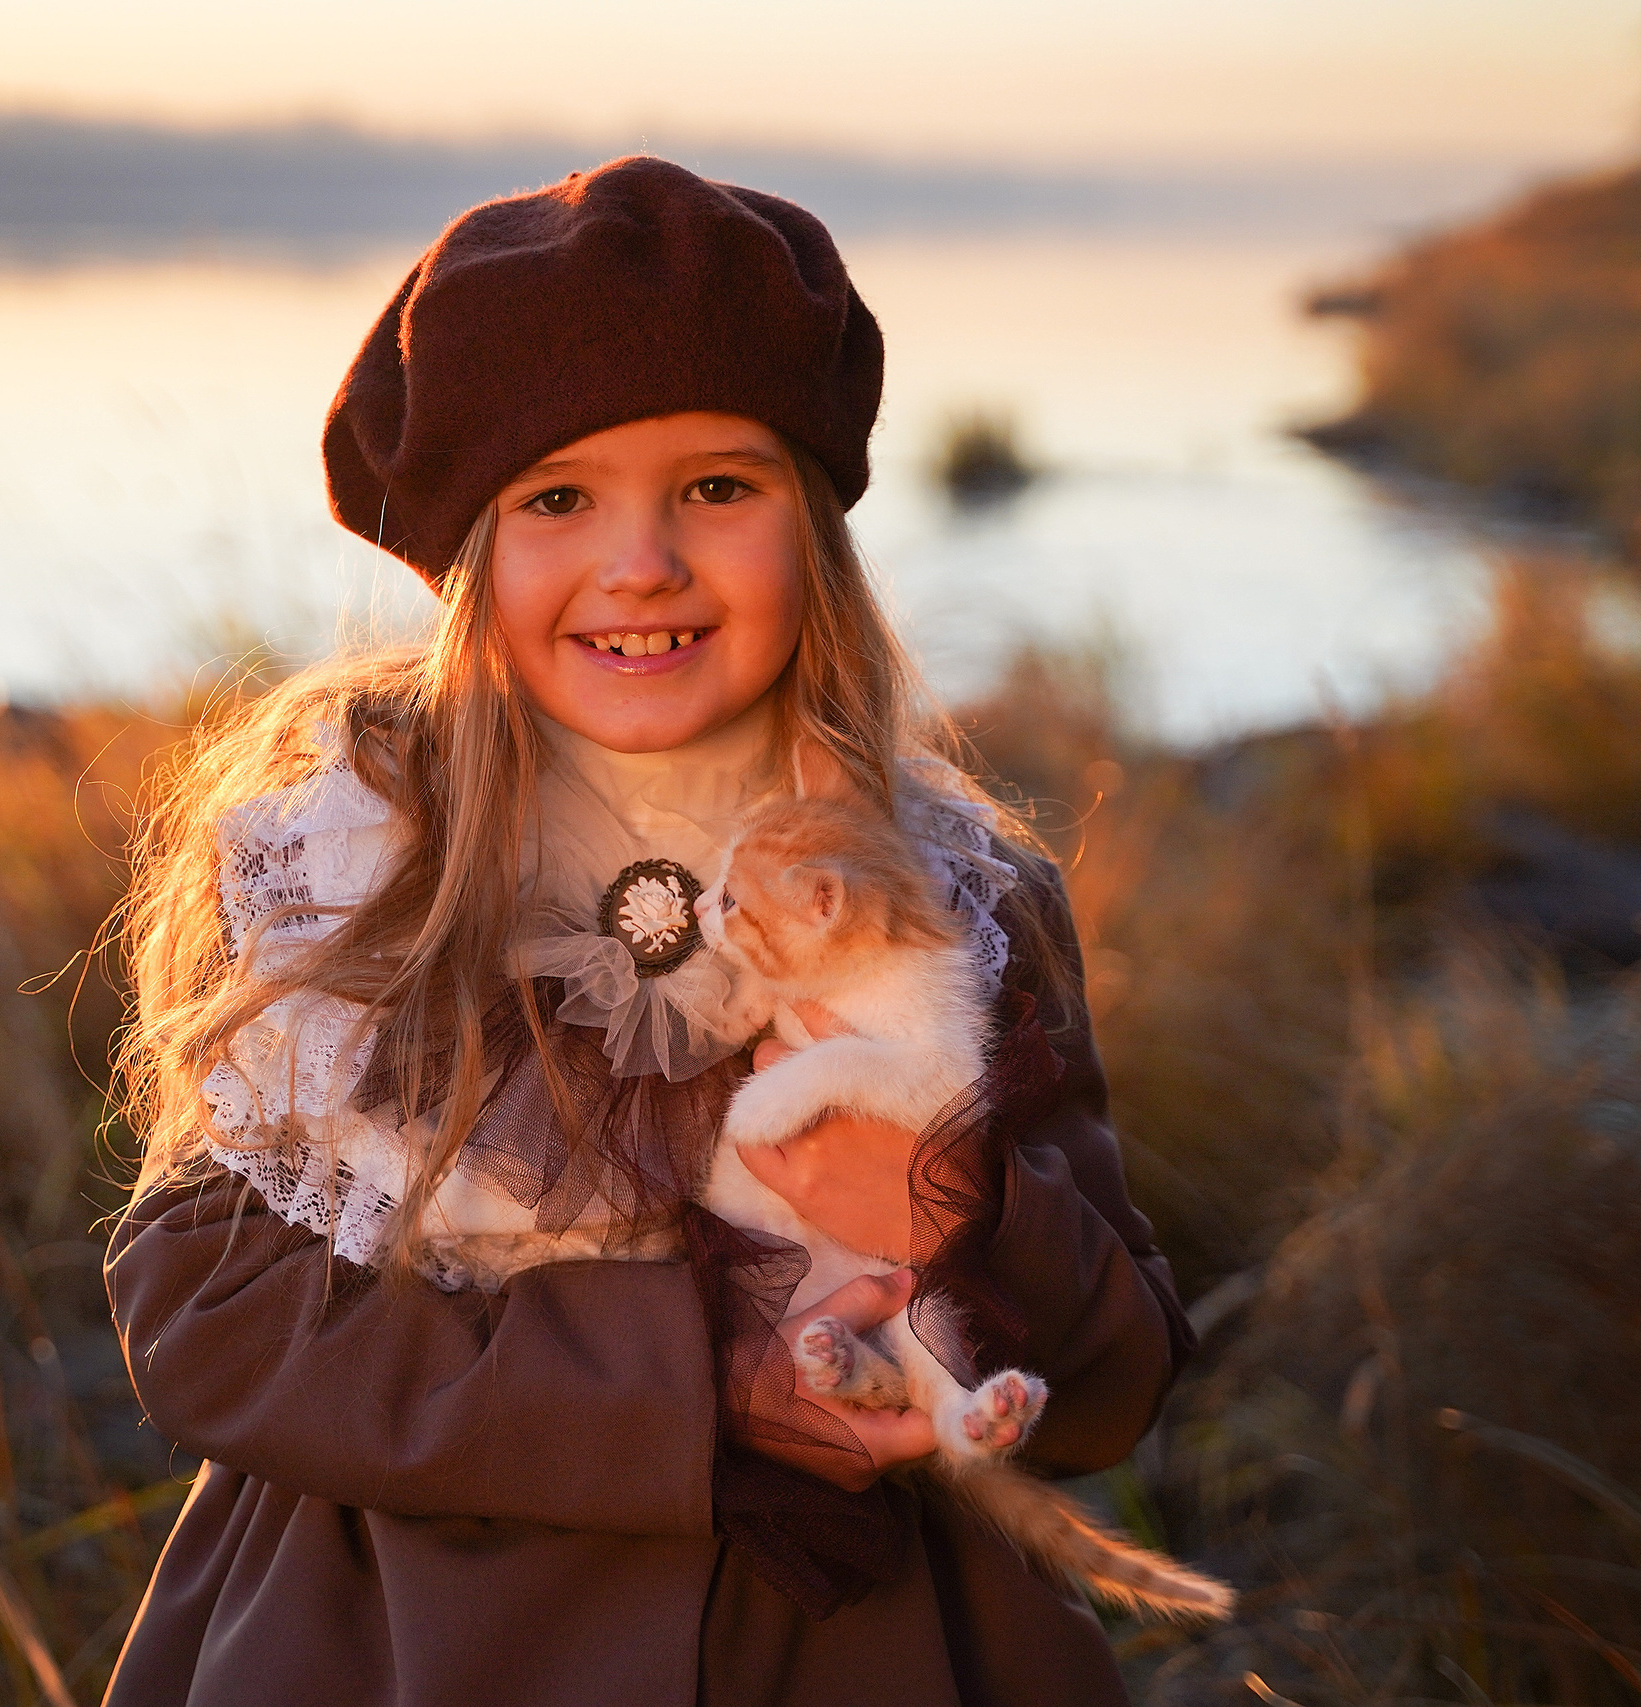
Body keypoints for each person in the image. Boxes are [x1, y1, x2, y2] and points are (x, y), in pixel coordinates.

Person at [100, 155, 1194, 1707]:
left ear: (812, 526)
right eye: (558, 499)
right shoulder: (343, 871)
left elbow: (1116, 1383)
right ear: (469, 559)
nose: (643, 563)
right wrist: (694, 1390)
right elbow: (209, 1322)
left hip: (870, 1660)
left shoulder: (953, 888)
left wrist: (955, 1203)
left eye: (718, 488)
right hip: (396, 1641)